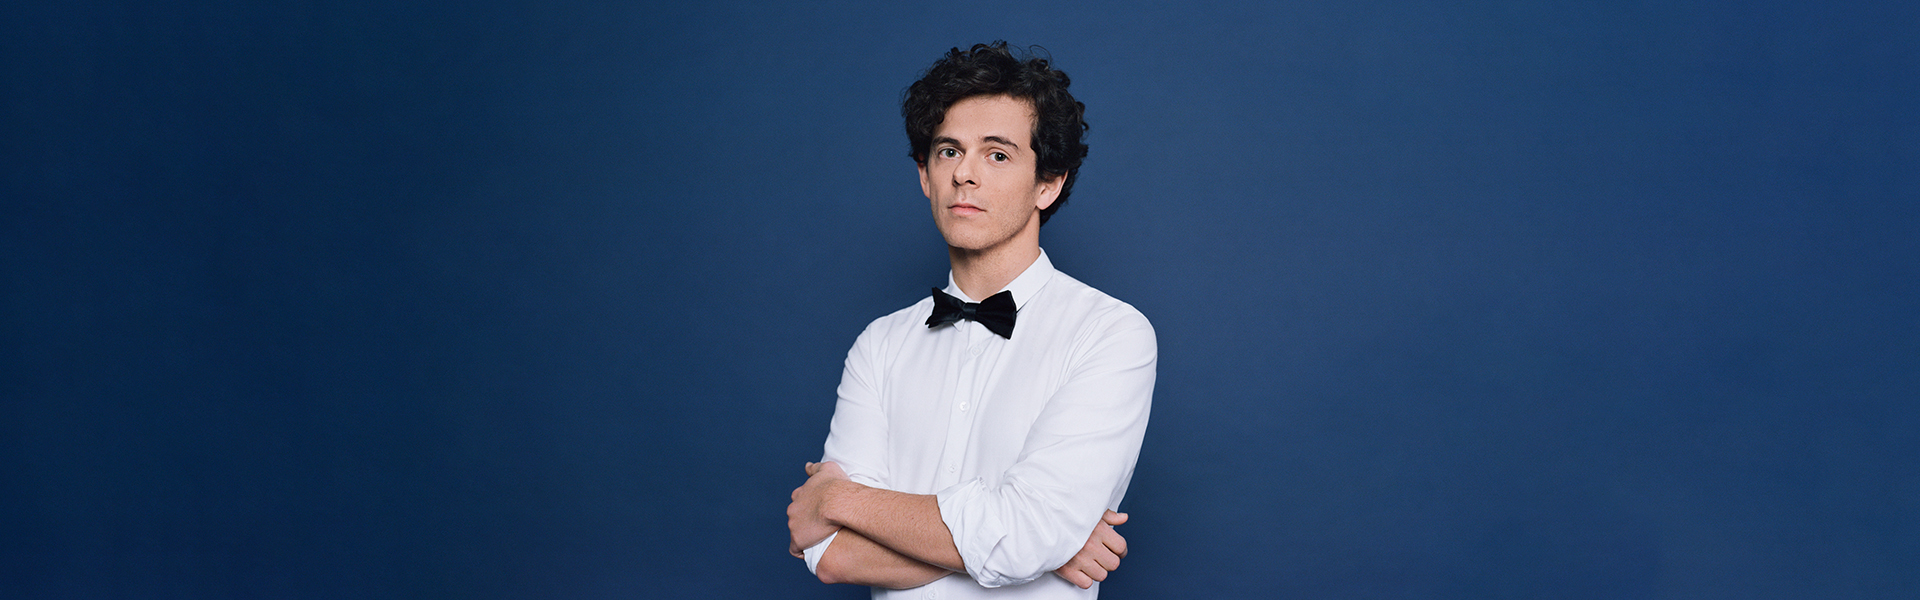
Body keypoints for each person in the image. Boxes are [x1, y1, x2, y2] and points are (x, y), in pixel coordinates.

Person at [787, 41, 1157, 598]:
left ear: (1048, 184)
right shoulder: (879, 345)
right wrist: (1042, 546)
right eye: (948, 151)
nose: (964, 174)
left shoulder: (1110, 334)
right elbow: (832, 554)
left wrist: (836, 499)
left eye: (997, 155)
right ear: (925, 176)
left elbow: (1024, 538)